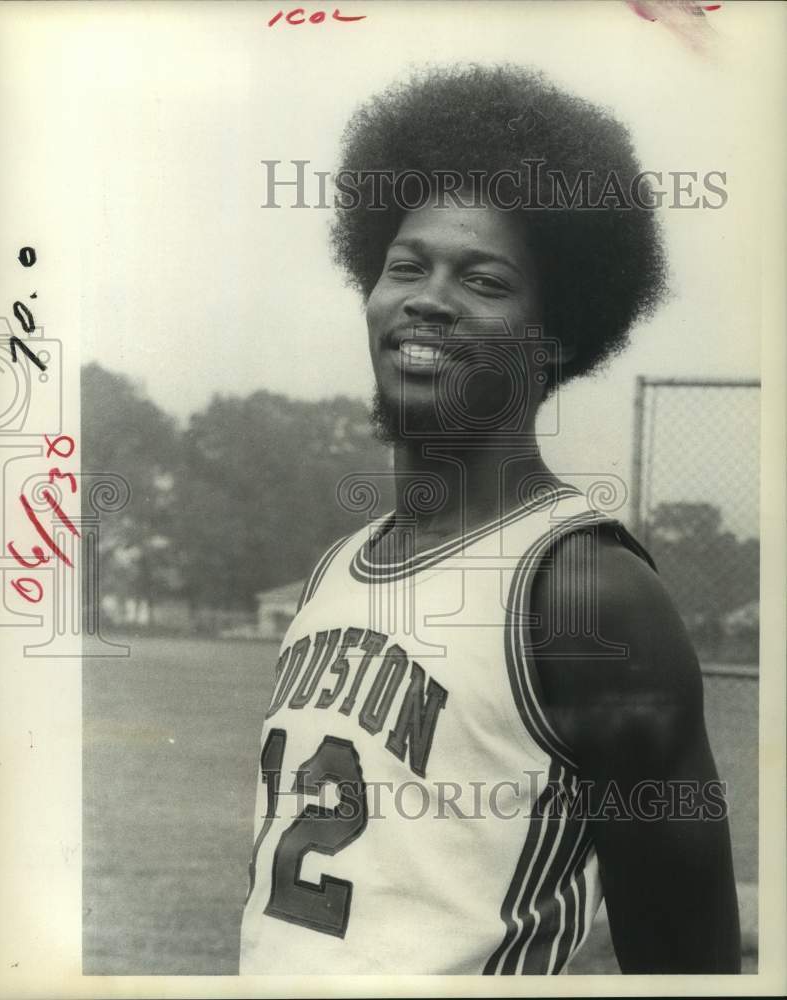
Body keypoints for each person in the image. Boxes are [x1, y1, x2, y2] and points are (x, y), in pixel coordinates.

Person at [239, 65, 740, 975]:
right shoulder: (336, 569)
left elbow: (685, 964)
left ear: (555, 337)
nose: (427, 297)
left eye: (482, 279)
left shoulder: (587, 593)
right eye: (405, 265)